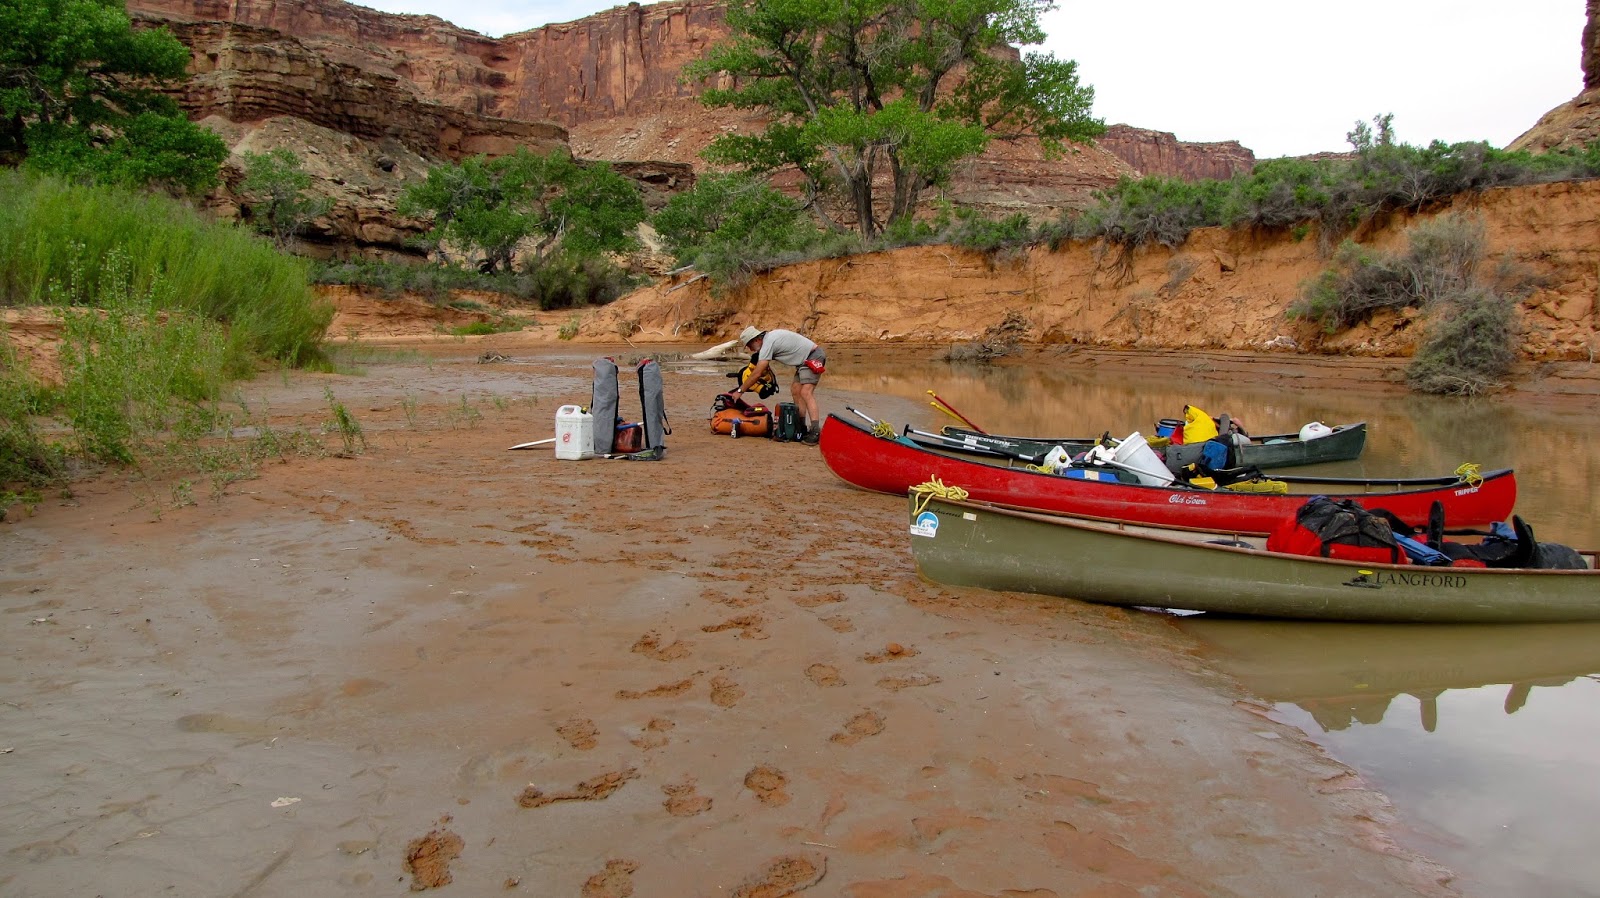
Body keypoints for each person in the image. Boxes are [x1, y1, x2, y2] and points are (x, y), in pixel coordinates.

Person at [728, 325, 826, 444]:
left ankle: (815, 431)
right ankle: (801, 428)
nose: (750, 349)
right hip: (804, 361)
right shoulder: (769, 340)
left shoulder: (768, 343)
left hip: (813, 356)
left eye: (749, 345)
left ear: (757, 340)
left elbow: (757, 373)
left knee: (806, 392)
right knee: (796, 390)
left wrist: (740, 391)